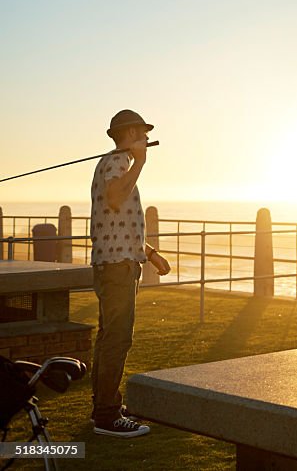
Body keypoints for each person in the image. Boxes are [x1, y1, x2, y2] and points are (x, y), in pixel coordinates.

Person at [89, 110, 171, 436]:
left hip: (117, 262)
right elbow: (113, 198)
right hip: (117, 268)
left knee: (109, 338)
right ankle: (107, 416)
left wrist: (149, 253)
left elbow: (120, 224)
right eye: (143, 135)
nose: (147, 141)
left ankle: (103, 407)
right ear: (131, 133)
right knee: (117, 339)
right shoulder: (118, 163)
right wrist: (139, 163)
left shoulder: (117, 163)